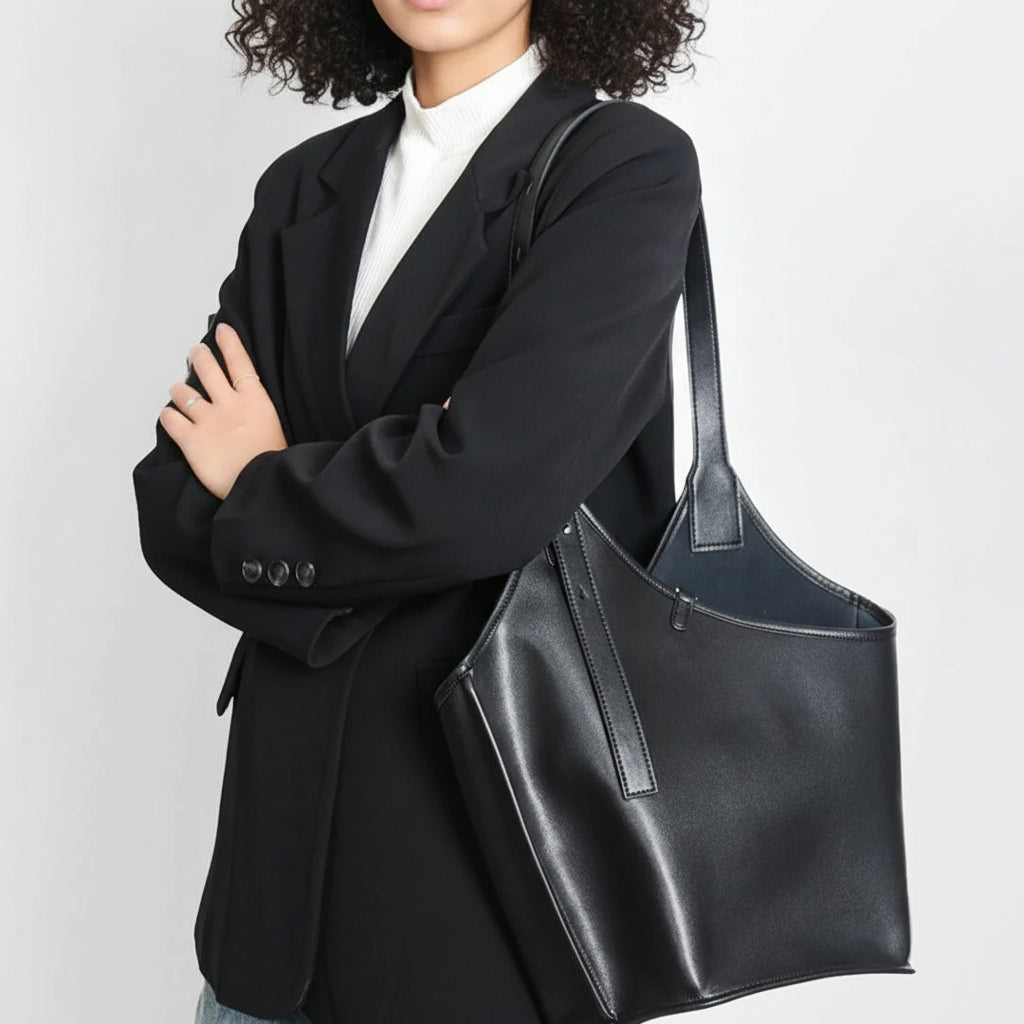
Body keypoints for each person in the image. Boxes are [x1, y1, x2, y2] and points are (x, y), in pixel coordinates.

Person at [132, 1, 705, 1021]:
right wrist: (400, 492)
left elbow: (484, 497)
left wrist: (260, 472)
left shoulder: (620, 167)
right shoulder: (304, 184)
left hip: (481, 898)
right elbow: (172, 499)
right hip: (267, 912)